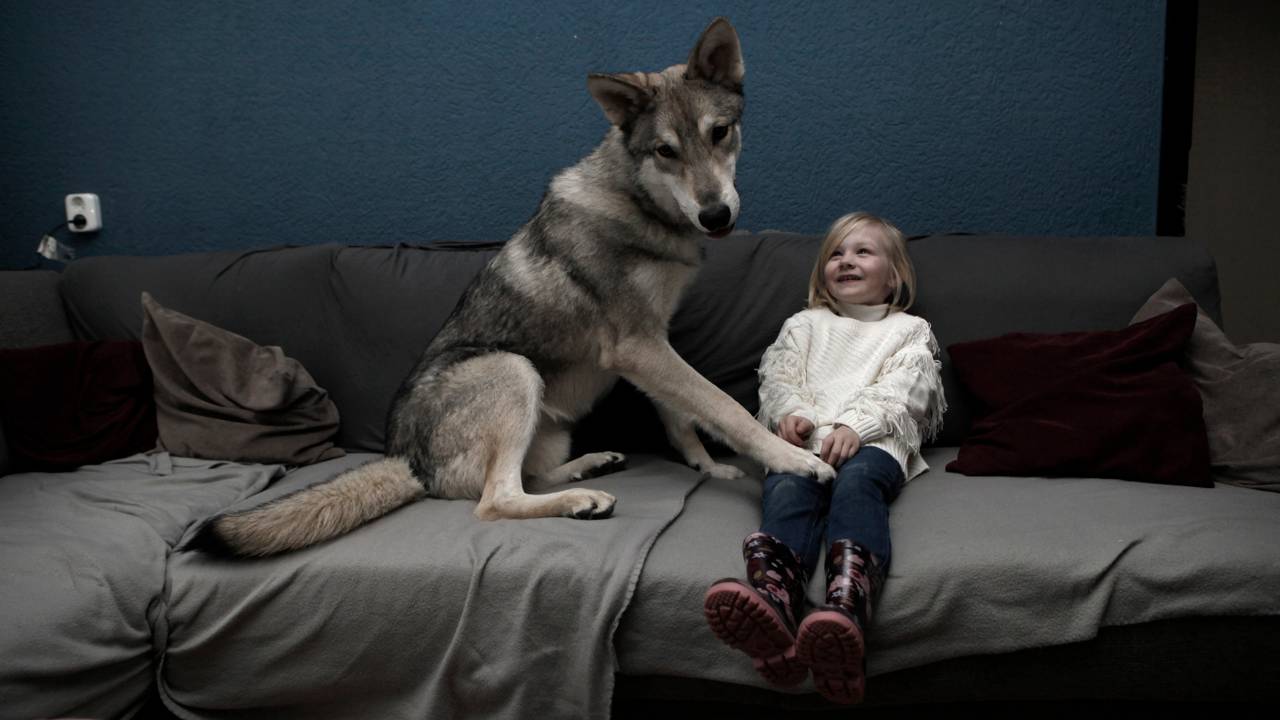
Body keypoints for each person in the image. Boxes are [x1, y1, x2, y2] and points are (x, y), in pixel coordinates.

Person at [703, 212, 945, 704]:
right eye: (836, 253)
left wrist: (856, 426)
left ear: (894, 275)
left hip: (873, 444)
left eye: (862, 252)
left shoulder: (909, 329)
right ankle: (775, 597)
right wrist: (790, 414)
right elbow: (778, 375)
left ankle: (848, 605)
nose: (846, 261)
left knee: (858, 488)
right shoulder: (804, 324)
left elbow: (908, 390)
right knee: (788, 488)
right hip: (801, 446)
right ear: (822, 274)